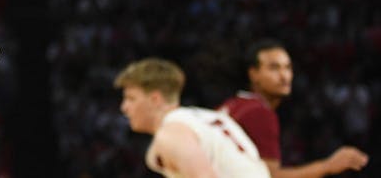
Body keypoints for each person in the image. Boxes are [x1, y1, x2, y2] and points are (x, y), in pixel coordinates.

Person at [219, 39, 370, 177]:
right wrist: (328, 166)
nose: (284, 76)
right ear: (253, 74)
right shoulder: (260, 113)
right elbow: (271, 176)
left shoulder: (231, 105)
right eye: (274, 68)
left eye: (288, 67)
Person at [114, 57, 270, 177]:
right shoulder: (206, 116)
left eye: (131, 98)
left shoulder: (171, 133)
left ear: (155, 99)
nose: (124, 107)